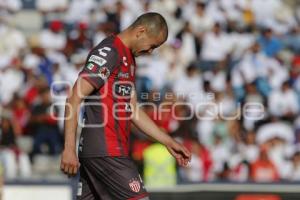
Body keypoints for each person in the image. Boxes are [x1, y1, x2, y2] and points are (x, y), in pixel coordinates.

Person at [60, 12, 191, 200]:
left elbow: (133, 110)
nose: (151, 51)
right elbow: (74, 98)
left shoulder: (128, 58)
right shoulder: (109, 52)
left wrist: (168, 141)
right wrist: (69, 148)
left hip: (106, 151)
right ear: (141, 31)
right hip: (106, 150)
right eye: (152, 45)